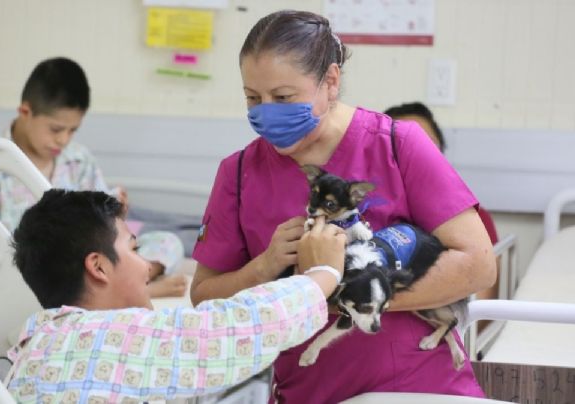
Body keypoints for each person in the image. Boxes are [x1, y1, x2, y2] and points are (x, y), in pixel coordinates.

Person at [190, 10, 496, 403]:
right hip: (307, 391)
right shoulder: (238, 174)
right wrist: (263, 268)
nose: (266, 112)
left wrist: (341, 291)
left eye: (283, 98)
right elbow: (204, 296)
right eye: (253, 98)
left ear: (330, 81)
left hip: (416, 388)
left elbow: (478, 263)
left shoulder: (397, 146)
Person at [5, 189, 347, 403]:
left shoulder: (38, 343)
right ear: (99, 267)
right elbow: (235, 328)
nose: (144, 266)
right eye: (134, 249)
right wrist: (323, 274)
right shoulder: (110, 338)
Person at [0, 57, 186, 298]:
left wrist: (116, 213)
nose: (63, 140)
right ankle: (138, 288)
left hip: (87, 264)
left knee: (168, 243)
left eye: (72, 130)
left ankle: (127, 285)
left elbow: (103, 226)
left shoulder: (79, 160)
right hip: (26, 272)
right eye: (55, 129)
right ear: (25, 112)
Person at [384, 101, 500, 302]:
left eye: (426, 147)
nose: (414, 157)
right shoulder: (367, 218)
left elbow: (479, 317)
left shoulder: (474, 221)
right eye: (399, 148)